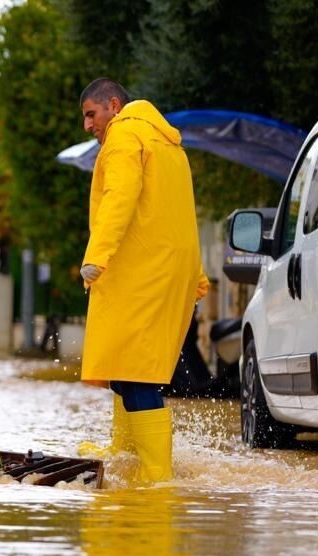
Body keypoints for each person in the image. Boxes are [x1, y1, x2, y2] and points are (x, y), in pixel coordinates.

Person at [75, 78, 208, 483]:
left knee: (134, 371)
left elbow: (120, 195)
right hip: (165, 269)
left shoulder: (124, 136)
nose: (87, 126)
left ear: (113, 105)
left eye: (91, 114)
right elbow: (180, 209)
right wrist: (197, 273)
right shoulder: (168, 144)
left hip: (141, 272)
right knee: (124, 364)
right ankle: (126, 453)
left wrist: (96, 254)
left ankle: (155, 473)